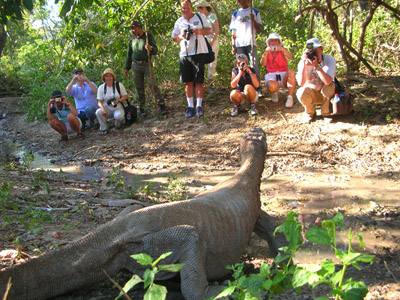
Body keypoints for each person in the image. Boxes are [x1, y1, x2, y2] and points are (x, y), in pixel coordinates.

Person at [172, 0, 212, 118]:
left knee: (198, 81)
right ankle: (190, 106)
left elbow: (209, 30)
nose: (186, 10)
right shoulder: (179, 22)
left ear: (191, 7)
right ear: (181, 9)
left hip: (199, 52)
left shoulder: (200, 17)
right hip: (185, 54)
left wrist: (199, 31)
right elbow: (174, 38)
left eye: (187, 7)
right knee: (188, 82)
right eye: (183, 8)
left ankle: (199, 106)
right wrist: (181, 36)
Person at [124, 21, 167, 117]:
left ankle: (161, 105)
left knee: (152, 85)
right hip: (135, 65)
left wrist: (150, 48)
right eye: (132, 28)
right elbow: (129, 54)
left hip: (146, 64)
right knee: (139, 87)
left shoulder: (148, 37)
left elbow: (155, 50)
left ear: (139, 28)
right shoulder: (132, 39)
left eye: (134, 28)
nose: (133, 30)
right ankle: (142, 108)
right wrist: (127, 67)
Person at [296, 37, 336, 123]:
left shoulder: (329, 60)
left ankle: (326, 113)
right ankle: (310, 113)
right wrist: (304, 64)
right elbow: (301, 83)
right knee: (301, 91)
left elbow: (328, 81)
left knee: (330, 86)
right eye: (311, 52)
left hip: (325, 93)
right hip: (312, 92)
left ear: (321, 49)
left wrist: (317, 67)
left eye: (315, 51)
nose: (313, 54)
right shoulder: (303, 62)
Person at [230, 0, 262, 97]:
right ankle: (241, 89)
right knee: (240, 66)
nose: (243, 1)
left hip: (250, 42)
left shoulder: (254, 11)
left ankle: (257, 89)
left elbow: (259, 28)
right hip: (240, 44)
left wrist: (253, 20)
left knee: (254, 65)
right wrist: (233, 44)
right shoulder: (236, 14)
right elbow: (233, 31)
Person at [260, 33, 296, 108]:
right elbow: (262, 64)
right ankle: (274, 93)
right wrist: (265, 53)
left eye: (276, 41)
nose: (274, 43)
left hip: (283, 74)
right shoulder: (267, 52)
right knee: (272, 86)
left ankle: (290, 97)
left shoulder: (282, 51)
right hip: (272, 75)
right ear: (269, 43)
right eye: (272, 41)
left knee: (291, 72)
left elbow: (290, 57)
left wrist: (282, 49)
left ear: (279, 42)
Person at [95, 68, 129, 134]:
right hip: (107, 108)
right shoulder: (101, 87)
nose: (108, 78)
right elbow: (99, 101)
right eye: (106, 76)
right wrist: (103, 109)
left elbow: (126, 96)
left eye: (110, 76)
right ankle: (104, 128)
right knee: (98, 112)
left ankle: (117, 125)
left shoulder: (118, 85)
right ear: (104, 78)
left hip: (117, 108)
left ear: (113, 77)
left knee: (118, 116)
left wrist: (118, 101)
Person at [196, 1, 220, 81]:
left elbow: (217, 30)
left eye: (199, 8)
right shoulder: (200, 18)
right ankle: (201, 81)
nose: (197, 10)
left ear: (203, 8)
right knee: (201, 61)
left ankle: (211, 81)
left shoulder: (212, 16)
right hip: (203, 41)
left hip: (212, 41)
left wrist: (212, 41)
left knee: (212, 62)